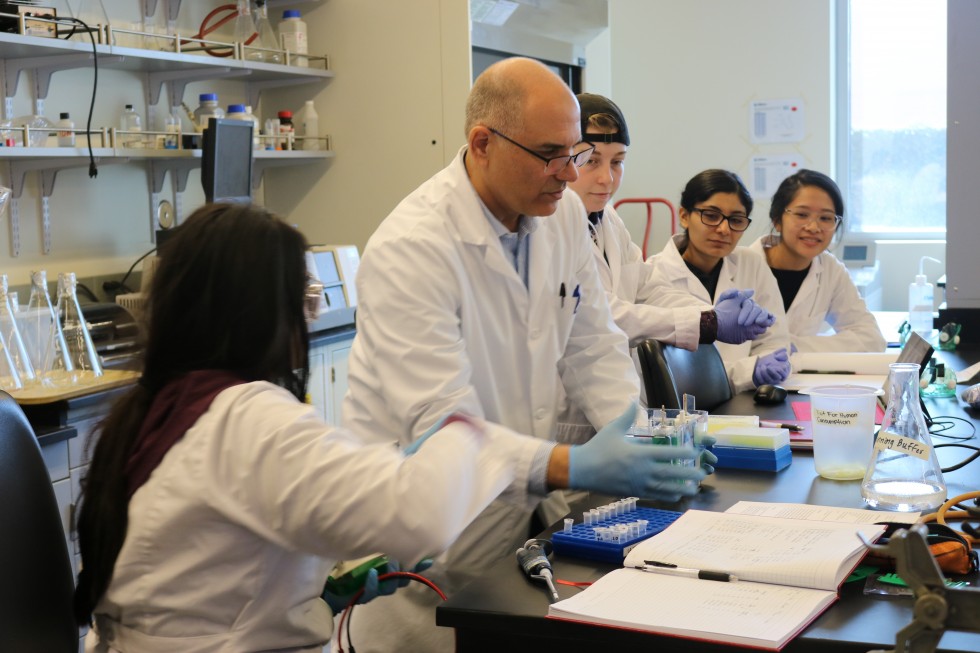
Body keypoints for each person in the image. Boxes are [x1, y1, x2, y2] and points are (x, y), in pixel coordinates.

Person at [72, 203, 697, 653]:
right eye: (305, 298)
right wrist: (473, 436)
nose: (311, 315)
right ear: (261, 311)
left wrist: (314, 594)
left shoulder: (154, 410)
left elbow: (209, 565)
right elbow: (417, 516)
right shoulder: (245, 417)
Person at [341, 58, 706, 652]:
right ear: (482, 143)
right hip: (422, 534)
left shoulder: (559, 214)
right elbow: (444, 428)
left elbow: (592, 343)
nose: (569, 174)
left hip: (512, 525)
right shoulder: (412, 248)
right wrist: (578, 464)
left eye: (577, 152)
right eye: (549, 154)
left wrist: (641, 435)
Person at [568, 92, 775, 350]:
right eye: (591, 161)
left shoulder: (608, 219)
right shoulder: (550, 225)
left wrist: (710, 313)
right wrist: (708, 322)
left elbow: (647, 288)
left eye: (618, 162)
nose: (607, 179)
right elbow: (597, 315)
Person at [646, 169, 792, 393]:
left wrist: (766, 367)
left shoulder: (751, 263)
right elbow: (677, 371)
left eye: (736, 220)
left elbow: (775, 339)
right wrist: (746, 373)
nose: (724, 229)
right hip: (683, 411)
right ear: (684, 215)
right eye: (711, 216)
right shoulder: (653, 274)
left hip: (746, 399)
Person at [749, 169, 886, 353]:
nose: (814, 227)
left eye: (825, 218)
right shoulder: (741, 266)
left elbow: (872, 340)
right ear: (777, 220)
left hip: (803, 379)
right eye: (802, 214)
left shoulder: (830, 270)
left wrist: (793, 346)